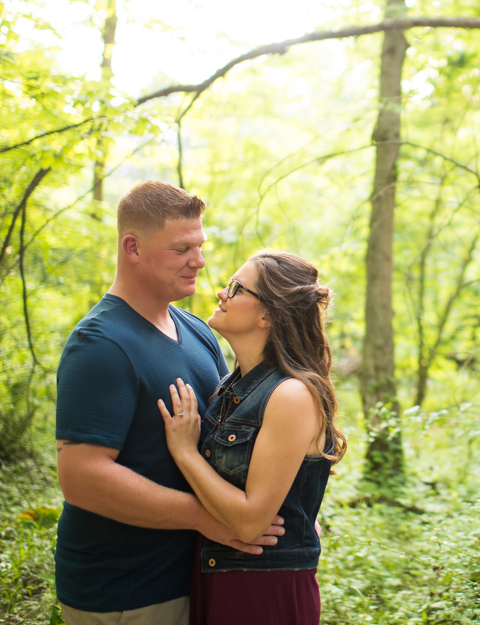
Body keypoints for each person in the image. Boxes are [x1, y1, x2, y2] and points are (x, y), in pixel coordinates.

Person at [55, 181, 283, 625]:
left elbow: (229, 438)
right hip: (126, 592)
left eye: (200, 245)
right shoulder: (100, 344)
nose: (198, 260)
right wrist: (204, 518)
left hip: (194, 574)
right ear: (133, 248)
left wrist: (288, 509)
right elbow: (81, 478)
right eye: (182, 248)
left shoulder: (197, 330)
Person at [159, 250, 347, 625]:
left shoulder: (291, 395)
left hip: (263, 588)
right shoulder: (232, 386)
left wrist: (185, 452)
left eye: (237, 288)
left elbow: (249, 523)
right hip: (219, 573)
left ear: (267, 315)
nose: (221, 294)